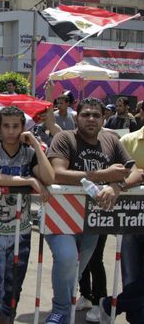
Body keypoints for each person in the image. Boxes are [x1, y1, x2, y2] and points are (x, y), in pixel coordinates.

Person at [45, 97, 141, 324]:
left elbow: (135, 172)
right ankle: (59, 311)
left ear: (103, 118)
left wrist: (117, 186)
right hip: (61, 215)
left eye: (96, 115)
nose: (90, 119)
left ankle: (66, 305)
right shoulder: (64, 138)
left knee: (77, 267)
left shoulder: (111, 139)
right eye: (85, 114)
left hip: (94, 220)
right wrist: (101, 175)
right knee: (68, 258)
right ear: (76, 117)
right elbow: (57, 173)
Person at [0, 106, 54, 324]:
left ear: (23, 128)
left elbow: (49, 178)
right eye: (6, 126)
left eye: (16, 126)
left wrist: (36, 146)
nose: (11, 131)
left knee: (13, 288)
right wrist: (29, 180)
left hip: (20, 232)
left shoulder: (29, 153)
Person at [98, 123, 144, 323]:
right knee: (132, 276)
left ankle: (113, 304)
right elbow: (116, 174)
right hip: (131, 222)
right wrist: (119, 184)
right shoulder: (127, 141)